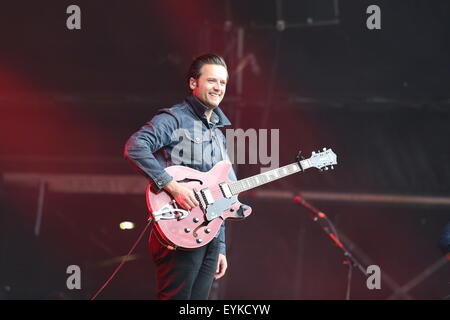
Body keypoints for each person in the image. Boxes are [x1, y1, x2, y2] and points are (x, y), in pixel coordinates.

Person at [124, 53, 233, 300]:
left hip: (209, 235)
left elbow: (223, 192)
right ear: (193, 83)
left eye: (223, 83)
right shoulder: (174, 118)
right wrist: (173, 187)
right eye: (212, 81)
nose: (219, 88)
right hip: (178, 227)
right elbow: (135, 146)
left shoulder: (218, 134)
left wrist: (221, 246)